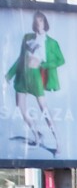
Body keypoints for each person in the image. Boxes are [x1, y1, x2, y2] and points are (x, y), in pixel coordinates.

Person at [6, 10, 64, 153]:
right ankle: (37, 135)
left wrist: (43, 65)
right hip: (22, 76)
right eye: (36, 21)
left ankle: (58, 141)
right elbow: (20, 58)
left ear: (45, 22)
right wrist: (9, 75)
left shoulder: (51, 43)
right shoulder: (27, 38)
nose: (39, 23)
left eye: (41, 20)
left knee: (44, 109)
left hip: (35, 76)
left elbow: (61, 60)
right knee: (21, 108)